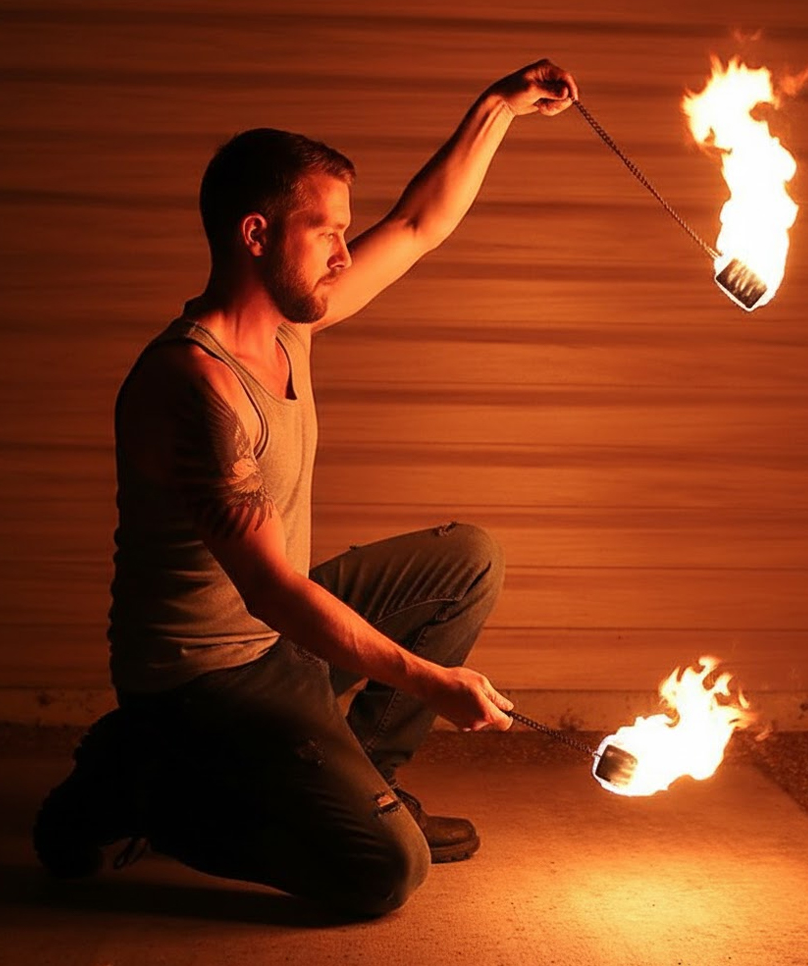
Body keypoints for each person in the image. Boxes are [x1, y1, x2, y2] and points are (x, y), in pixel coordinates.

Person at [33, 59, 579, 917]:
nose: (343, 254)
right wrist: (431, 681)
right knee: (383, 873)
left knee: (469, 560)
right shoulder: (195, 385)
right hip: (204, 681)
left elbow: (419, 225)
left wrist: (499, 107)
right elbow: (273, 592)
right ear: (256, 234)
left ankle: (370, 778)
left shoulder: (291, 327)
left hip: (275, 641)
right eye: (326, 232)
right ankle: (140, 787)